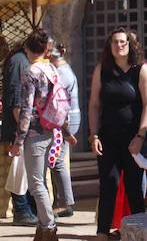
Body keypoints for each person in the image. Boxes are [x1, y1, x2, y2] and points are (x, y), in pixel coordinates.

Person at [88, 27, 147, 241]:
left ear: (130, 44)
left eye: (123, 42)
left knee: (134, 185)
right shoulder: (102, 70)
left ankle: (138, 230)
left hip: (134, 137)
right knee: (108, 183)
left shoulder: (141, 69)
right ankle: (102, 232)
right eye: (115, 42)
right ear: (110, 46)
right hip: (108, 137)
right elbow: (94, 104)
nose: (119, 45)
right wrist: (93, 135)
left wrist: (140, 136)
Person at [9, 28, 70, 241]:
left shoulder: (30, 72)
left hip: (35, 133)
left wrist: (19, 140)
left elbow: (26, 109)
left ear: (27, 48)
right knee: (41, 181)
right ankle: (45, 227)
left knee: (36, 184)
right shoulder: (51, 69)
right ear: (45, 49)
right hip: (51, 130)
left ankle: (48, 227)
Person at [2, 42, 39, 225]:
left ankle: (27, 209)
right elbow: (17, 101)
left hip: (19, 127)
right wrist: (22, 130)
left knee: (22, 170)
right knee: (19, 170)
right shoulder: (20, 63)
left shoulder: (18, 61)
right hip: (17, 128)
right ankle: (22, 210)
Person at [48, 45, 79, 218]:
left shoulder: (61, 73)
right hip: (67, 120)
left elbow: (60, 103)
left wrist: (66, 131)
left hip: (65, 121)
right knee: (58, 161)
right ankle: (63, 200)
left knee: (58, 161)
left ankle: (65, 202)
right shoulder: (65, 70)